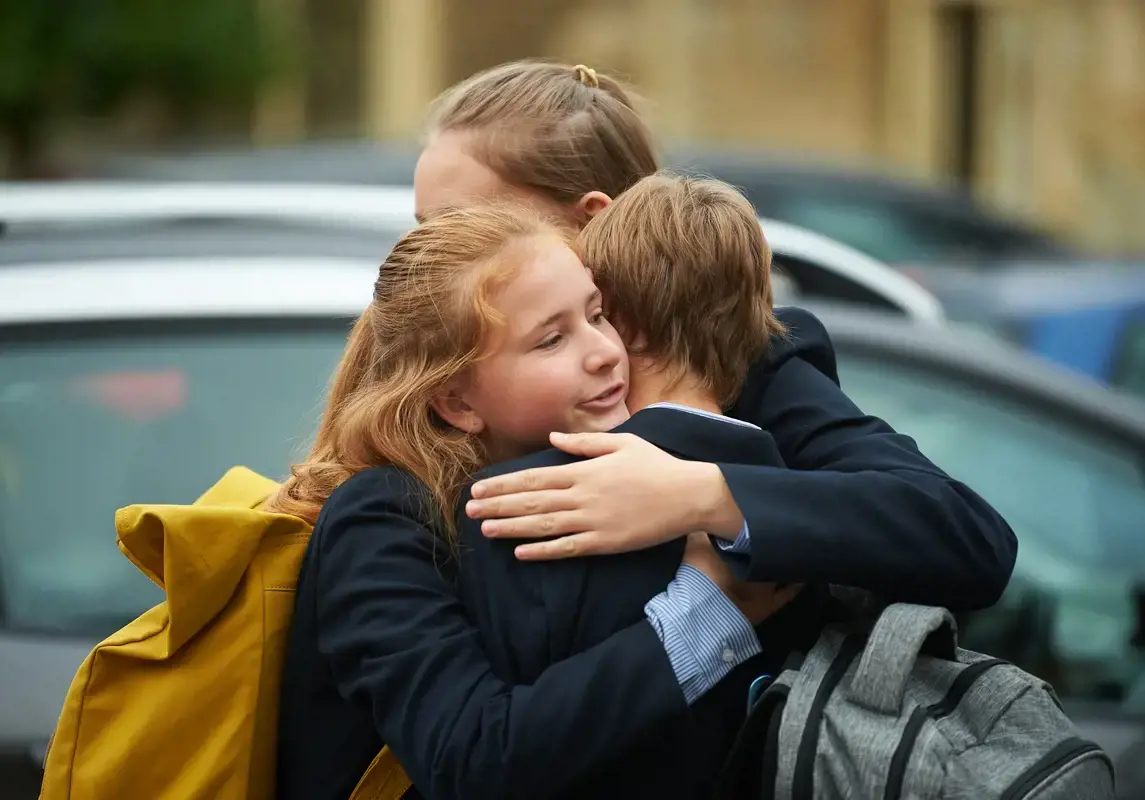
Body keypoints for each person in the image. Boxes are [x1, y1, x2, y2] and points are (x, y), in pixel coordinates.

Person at [274, 60, 1016, 800]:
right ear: (452, 399)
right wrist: (705, 612)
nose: (438, 261)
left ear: (592, 225)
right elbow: (478, 751)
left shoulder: (731, 371)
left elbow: (964, 536)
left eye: (472, 222)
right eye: (428, 232)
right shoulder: (395, 505)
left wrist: (705, 495)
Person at [455, 172, 831, 798]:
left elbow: (490, 752)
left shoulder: (503, 505)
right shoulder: (806, 512)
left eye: (595, 314)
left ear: (619, 323)